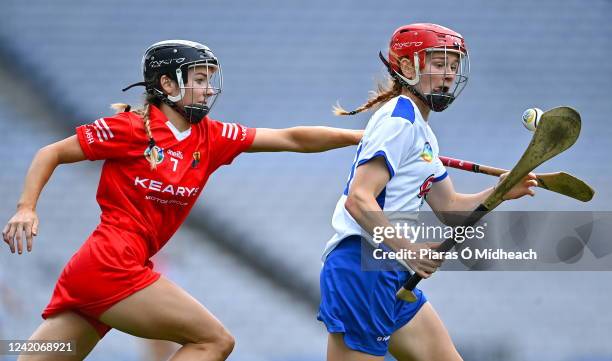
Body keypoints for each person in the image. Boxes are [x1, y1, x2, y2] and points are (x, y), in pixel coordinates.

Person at [2, 40, 362, 361]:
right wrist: (26, 208)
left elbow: (292, 139)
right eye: (199, 80)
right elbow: (50, 153)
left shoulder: (212, 137)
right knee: (214, 341)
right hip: (112, 265)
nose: (208, 90)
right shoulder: (130, 128)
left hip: (98, 270)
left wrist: (361, 136)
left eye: (210, 80)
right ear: (167, 84)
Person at [317, 23, 538, 361]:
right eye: (438, 64)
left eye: (453, 65)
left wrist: (501, 190)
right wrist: (410, 248)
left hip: (388, 268)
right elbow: (358, 199)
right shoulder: (398, 121)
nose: (448, 75)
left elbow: (451, 208)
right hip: (361, 266)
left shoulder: (422, 132)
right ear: (406, 67)